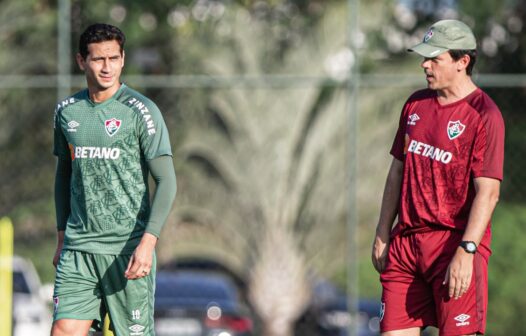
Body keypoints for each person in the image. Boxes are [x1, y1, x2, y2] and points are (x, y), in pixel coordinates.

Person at [371, 20, 504, 336]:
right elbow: (397, 172)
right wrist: (382, 231)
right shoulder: (415, 104)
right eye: (424, 57)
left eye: (434, 58)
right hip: (406, 244)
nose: (424, 64)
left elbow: (488, 193)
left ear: (462, 62)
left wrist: (466, 250)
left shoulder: (484, 114)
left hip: (452, 244)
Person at [51, 23, 177, 336]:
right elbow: (64, 175)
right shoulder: (68, 112)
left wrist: (148, 243)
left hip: (128, 251)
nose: (107, 67)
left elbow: (167, 182)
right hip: (79, 251)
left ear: (122, 59)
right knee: (64, 330)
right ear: (82, 61)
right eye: (98, 59)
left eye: (113, 58)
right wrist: (61, 236)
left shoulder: (141, 112)